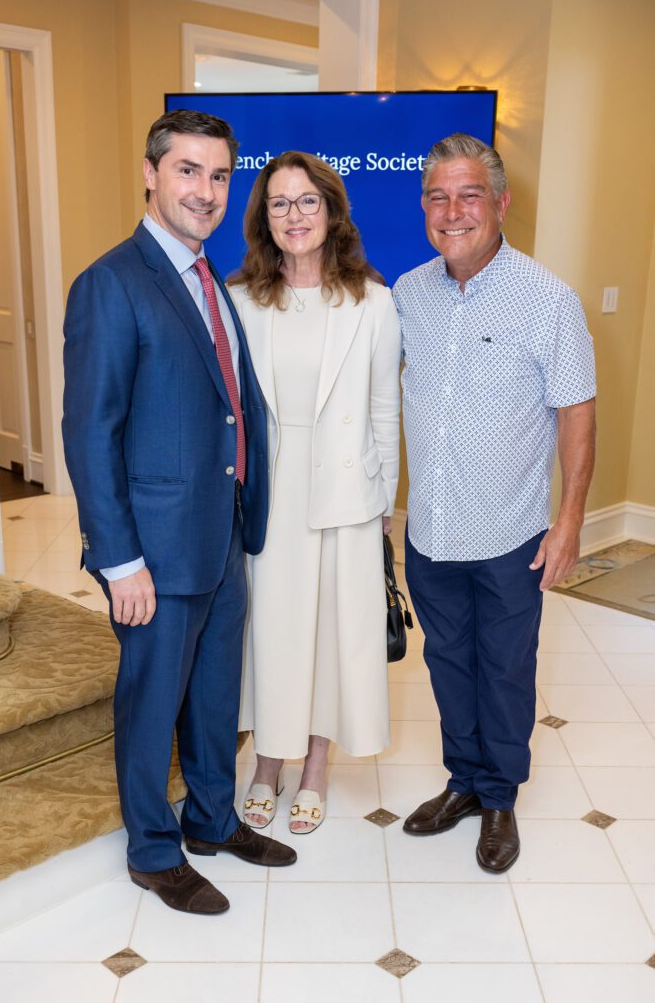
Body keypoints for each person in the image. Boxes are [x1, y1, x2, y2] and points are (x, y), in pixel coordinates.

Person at [62, 109, 296, 916]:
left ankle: (212, 819)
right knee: (151, 698)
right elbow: (90, 432)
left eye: (220, 175)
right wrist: (118, 558)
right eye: (189, 171)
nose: (205, 190)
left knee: (211, 695)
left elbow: (228, 409)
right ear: (150, 173)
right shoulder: (111, 282)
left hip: (220, 532)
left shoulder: (205, 275)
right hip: (154, 550)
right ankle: (153, 850)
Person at [394, 133, 596, 872]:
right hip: (430, 532)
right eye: (437, 196)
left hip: (511, 532)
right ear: (423, 207)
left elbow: (576, 411)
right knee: (447, 661)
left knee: (504, 666)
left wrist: (569, 521)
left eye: (468, 195)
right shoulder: (407, 293)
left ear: (500, 203)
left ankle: (500, 797)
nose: (452, 211)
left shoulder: (546, 299)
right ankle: (463, 782)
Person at [228, 151, 401, 833]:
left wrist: (382, 501)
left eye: (306, 202)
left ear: (331, 213)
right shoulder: (239, 300)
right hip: (270, 492)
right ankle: (267, 763)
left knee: (334, 634)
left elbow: (384, 408)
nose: (293, 215)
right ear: (263, 218)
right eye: (278, 203)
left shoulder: (373, 302)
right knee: (269, 634)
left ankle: (316, 770)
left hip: (344, 494)